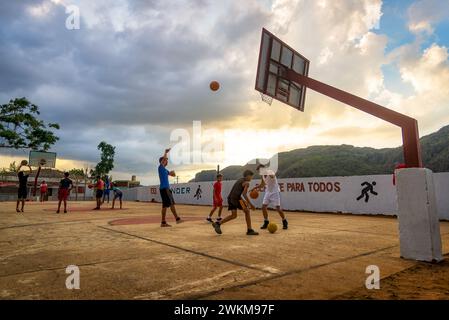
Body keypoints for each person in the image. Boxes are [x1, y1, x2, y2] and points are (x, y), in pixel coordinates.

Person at [212, 170, 259, 236]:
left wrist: (244, 202)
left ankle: (218, 223)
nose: (251, 178)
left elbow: (238, 192)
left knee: (234, 215)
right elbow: (244, 194)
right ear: (248, 176)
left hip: (230, 198)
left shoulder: (240, 180)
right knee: (247, 211)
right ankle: (249, 230)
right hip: (236, 199)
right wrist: (251, 205)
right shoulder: (246, 183)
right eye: (251, 176)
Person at [254, 164, 288, 230]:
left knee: (278, 208)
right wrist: (256, 188)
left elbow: (272, 176)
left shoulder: (270, 172)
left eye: (260, 170)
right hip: (268, 192)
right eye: (259, 171)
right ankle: (266, 221)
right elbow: (262, 184)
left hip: (275, 192)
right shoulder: (263, 176)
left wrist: (267, 171)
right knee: (263, 207)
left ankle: (284, 221)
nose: (259, 172)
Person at [158, 148, 183, 227]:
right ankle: (177, 219)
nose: (167, 161)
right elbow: (164, 159)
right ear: (163, 161)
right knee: (171, 204)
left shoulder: (165, 170)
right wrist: (165, 152)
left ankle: (163, 222)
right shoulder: (160, 167)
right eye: (166, 160)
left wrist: (173, 173)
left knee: (165, 206)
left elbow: (173, 174)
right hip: (165, 189)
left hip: (165, 189)